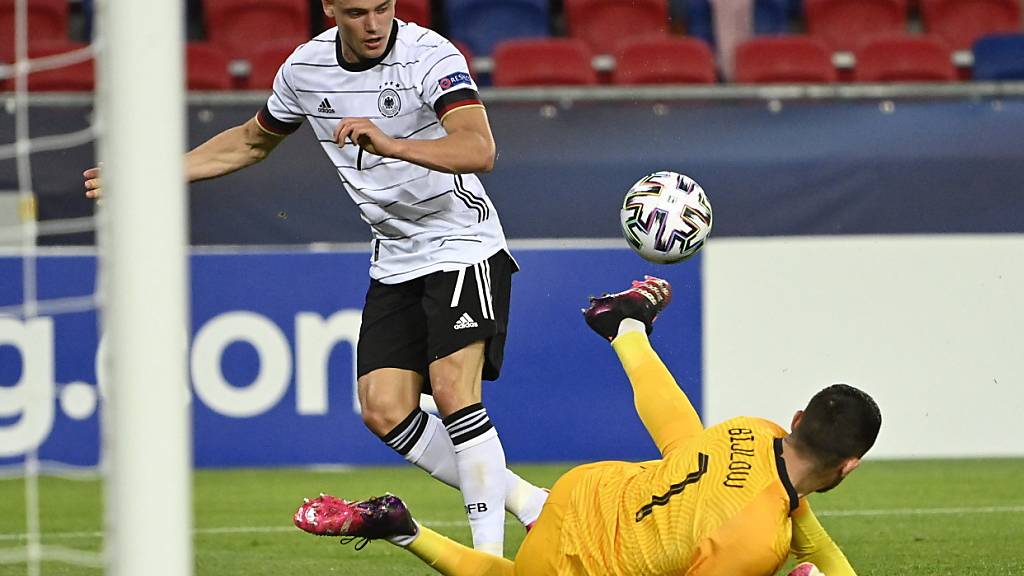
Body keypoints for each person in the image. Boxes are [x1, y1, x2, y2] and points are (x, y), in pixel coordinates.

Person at [83, 0, 548, 556]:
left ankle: (487, 560)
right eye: (357, 12)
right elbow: (253, 141)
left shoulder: (430, 54)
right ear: (329, 10)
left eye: (383, 8)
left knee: (452, 392)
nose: (374, 24)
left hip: (463, 246)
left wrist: (392, 143)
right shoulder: (305, 70)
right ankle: (530, 504)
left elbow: (480, 148)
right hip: (396, 257)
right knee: (383, 408)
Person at [294, 276, 882, 575]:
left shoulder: (753, 431)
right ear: (849, 466)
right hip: (578, 561)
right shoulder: (758, 541)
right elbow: (791, 530)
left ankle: (623, 327)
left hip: (584, 492)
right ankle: (403, 529)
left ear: (797, 420)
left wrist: (632, 338)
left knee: (677, 446)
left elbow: (679, 430)